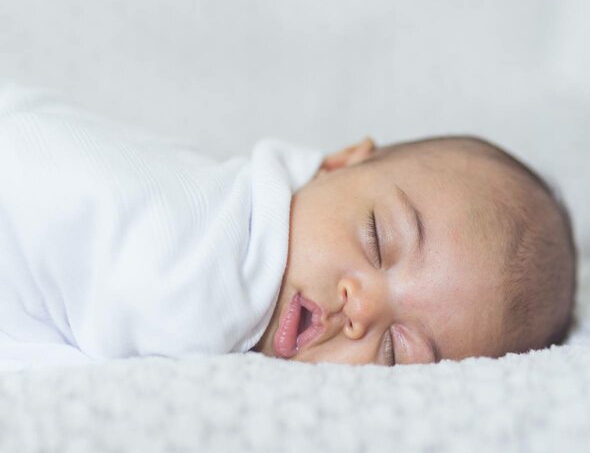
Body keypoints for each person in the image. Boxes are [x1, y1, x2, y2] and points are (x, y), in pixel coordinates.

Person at [0, 84, 576, 371]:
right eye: (376, 236)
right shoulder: (213, 235)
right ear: (339, 161)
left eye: (397, 354)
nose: (364, 307)